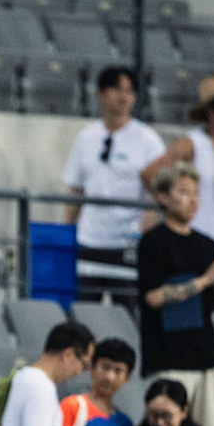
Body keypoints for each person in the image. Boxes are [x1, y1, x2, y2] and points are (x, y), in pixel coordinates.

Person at [136, 164, 214, 426]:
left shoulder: (207, 244)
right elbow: (153, 296)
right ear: (163, 197)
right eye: (183, 192)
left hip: (205, 351)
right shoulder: (153, 242)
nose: (192, 200)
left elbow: (213, 303)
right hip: (169, 352)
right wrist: (204, 280)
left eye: (195, 193)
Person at [61, 67, 167, 303]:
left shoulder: (147, 140)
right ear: (101, 92)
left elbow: (156, 195)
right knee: (85, 310)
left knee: (127, 312)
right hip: (90, 239)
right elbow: (76, 189)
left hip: (126, 243)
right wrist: (67, 229)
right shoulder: (86, 137)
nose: (124, 97)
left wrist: (142, 233)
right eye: (117, 89)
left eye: (130, 91)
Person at [143, 75, 214, 254]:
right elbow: (150, 175)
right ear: (212, 110)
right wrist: (174, 210)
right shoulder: (192, 144)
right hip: (197, 246)